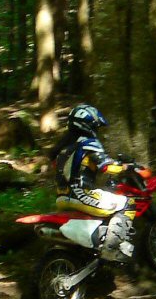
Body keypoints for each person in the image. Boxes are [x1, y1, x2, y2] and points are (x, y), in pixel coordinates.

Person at [47, 104, 133, 259]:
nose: (97, 130)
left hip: (61, 197)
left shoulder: (63, 147)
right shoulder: (88, 143)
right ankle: (110, 248)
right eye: (96, 126)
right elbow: (106, 167)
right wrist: (127, 167)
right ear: (88, 125)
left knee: (106, 199)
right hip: (80, 195)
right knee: (128, 203)